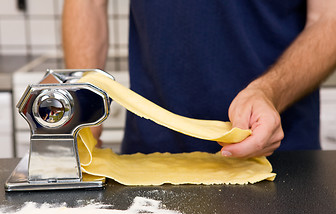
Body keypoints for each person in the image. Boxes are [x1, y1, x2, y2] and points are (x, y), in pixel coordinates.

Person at [62, 0, 336, 158]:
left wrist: (270, 91)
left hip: (277, 156)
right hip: (150, 159)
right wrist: (84, 121)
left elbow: (328, 18)